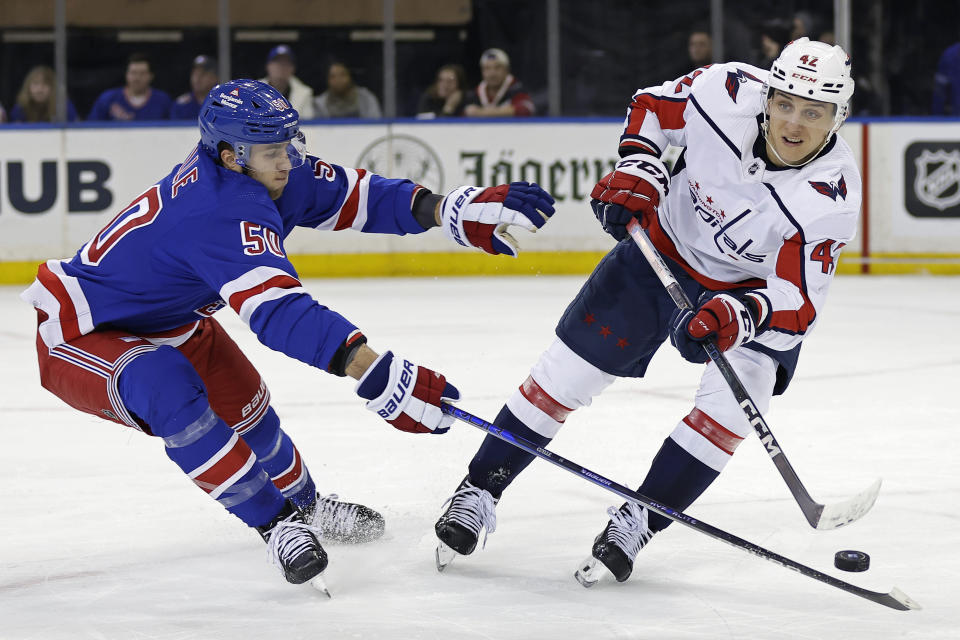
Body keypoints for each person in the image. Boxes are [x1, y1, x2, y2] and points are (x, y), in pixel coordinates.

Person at [20, 79, 555, 588]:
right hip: (80, 330)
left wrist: (442, 209)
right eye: (271, 150)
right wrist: (374, 371)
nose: (288, 159)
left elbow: (354, 196)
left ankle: (307, 507)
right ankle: (276, 525)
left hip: (170, 318)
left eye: (287, 144)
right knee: (168, 392)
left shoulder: (266, 167)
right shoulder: (215, 208)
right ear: (230, 156)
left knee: (246, 403)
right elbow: (278, 314)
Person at [433, 38, 860, 587]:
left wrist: (737, 314)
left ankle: (639, 519)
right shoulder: (725, 90)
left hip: (746, 295)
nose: (793, 124)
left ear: (837, 117)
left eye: (813, 112)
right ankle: (479, 489)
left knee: (731, 413)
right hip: (661, 250)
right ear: (768, 96)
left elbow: (797, 300)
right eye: (785, 104)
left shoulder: (831, 196)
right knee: (563, 376)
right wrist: (641, 165)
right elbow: (653, 107)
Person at [88, 52, 172, 121]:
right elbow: (91, 129)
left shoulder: (163, 100)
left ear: (151, 76)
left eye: (142, 73)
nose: (137, 78)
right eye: (133, 73)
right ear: (126, 74)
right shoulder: (108, 98)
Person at [463, 48, 535, 117]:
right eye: (487, 68)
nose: (492, 73)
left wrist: (482, 113)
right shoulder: (475, 94)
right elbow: (463, 113)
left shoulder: (516, 88)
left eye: (497, 67)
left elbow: (526, 109)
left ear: (507, 70)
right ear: (482, 72)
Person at [261, 45, 315, 119]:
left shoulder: (304, 93)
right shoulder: (253, 90)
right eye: (277, 62)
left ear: (293, 68)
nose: (281, 67)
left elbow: (309, 125)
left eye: (286, 63)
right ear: (268, 66)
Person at [9, 65, 78, 122]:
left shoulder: (64, 108)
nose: (40, 89)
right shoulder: (21, 108)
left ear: (52, 88)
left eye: (45, 84)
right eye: (35, 84)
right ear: (28, 88)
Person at [314, 62, 382, 119]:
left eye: (342, 75)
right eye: (333, 76)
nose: (338, 80)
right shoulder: (319, 104)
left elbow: (376, 127)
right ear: (327, 80)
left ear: (350, 77)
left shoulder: (366, 98)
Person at [170, 55, 219, 120]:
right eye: (195, 73)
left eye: (203, 74)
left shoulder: (224, 104)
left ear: (215, 77)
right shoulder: (181, 104)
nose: (197, 78)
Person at [933, 42, 960, 115]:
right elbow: (940, 91)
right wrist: (937, 119)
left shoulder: (950, 53)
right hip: (955, 119)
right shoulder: (950, 54)